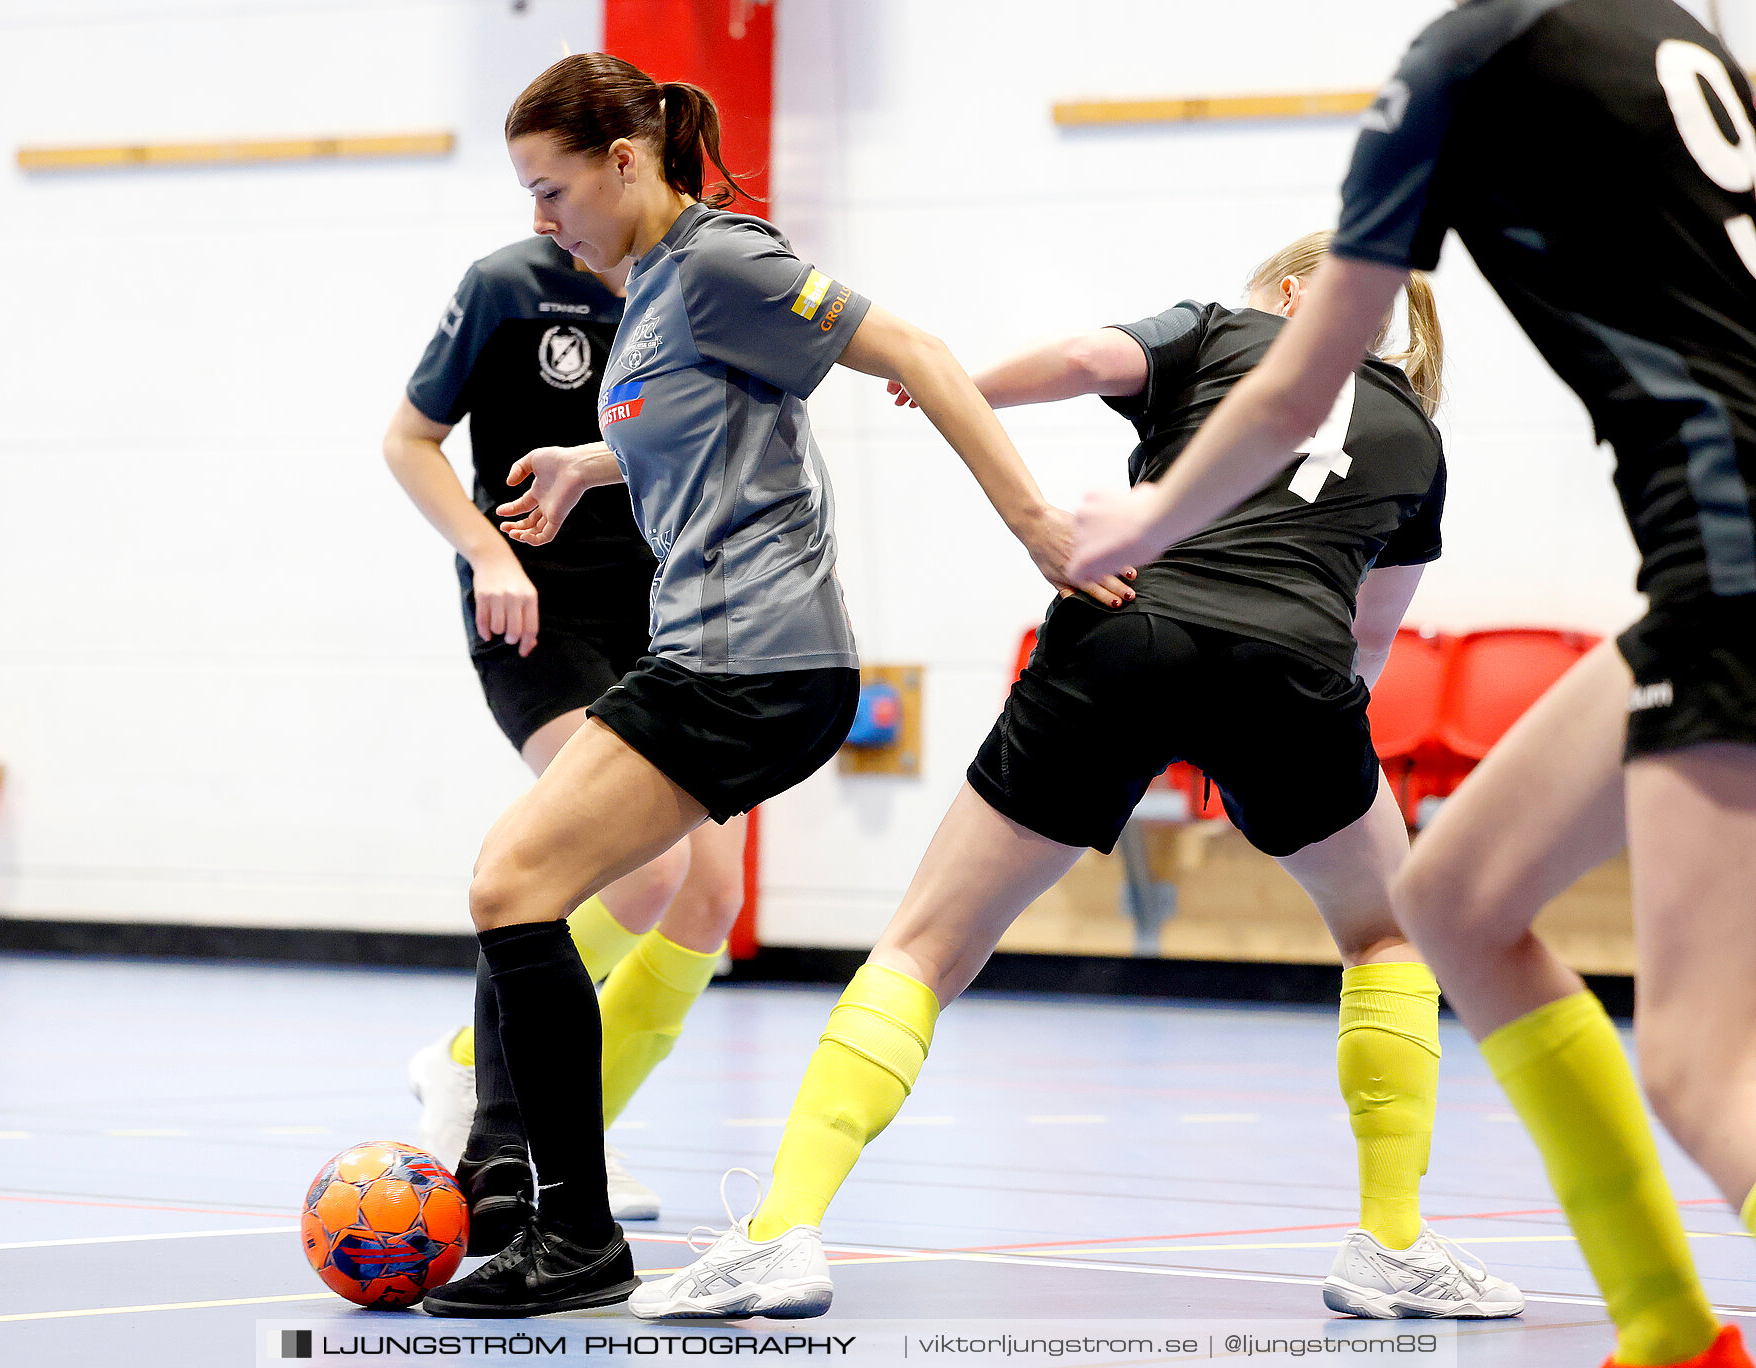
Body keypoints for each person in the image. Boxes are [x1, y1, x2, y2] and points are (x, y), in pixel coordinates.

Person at [631, 230, 1523, 1322]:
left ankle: (779, 1236)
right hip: (1294, 672)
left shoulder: (1219, 331)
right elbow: (1367, 646)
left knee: (923, 944)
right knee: (1389, 935)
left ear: (1290, 295)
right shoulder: (1418, 439)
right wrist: (1284, 762)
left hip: (1127, 627)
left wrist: (961, 385)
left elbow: (1082, 359)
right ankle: (1391, 1243)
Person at [1067, 4, 1756, 1367]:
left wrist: (1139, 529)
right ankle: (1670, 1330)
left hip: (1730, 562)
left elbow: (1292, 385)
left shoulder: (1466, 58)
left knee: (1697, 1060)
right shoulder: (1674, 30)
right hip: (1706, 577)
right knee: (1448, 899)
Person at [417, 51, 1133, 1319]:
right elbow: (697, 423)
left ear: (624, 163)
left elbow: (915, 348)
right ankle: (547, 1205)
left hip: (755, 663)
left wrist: (1035, 525)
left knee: (510, 884)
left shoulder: (720, 261)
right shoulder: (645, 289)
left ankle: (550, 1213)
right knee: (516, 883)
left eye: (550, 190)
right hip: (713, 658)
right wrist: (592, 462)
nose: (539, 220)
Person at [383, 235, 747, 1240]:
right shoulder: (507, 285)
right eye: (532, 186)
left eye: (556, 182)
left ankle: (572, 1125)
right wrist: (486, 553)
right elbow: (407, 440)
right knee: (639, 866)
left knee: (711, 895)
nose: (543, 207)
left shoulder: (693, 285)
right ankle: (473, 1078)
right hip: (536, 609)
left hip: (664, 611)